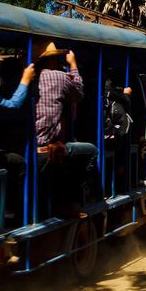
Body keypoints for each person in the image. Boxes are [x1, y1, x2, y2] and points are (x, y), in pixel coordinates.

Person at [33, 40, 99, 208]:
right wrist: (74, 65)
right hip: (47, 148)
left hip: (28, 146)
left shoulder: (27, 78)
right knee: (92, 151)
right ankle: (74, 197)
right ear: (52, 60)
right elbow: (79, 92)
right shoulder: (58, 77)